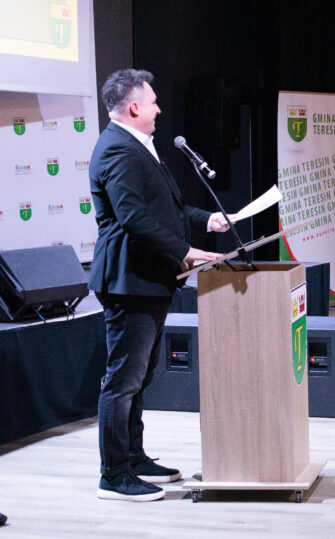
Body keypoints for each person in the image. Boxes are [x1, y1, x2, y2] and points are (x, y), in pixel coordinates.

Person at [89, 69, 227, 501]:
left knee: (140, 376)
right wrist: (187, 252)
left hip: (148, 278)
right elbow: (133, 218)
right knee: (123, 380)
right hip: (129, 280)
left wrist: (207, 221)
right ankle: (114, 474)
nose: (159, 109)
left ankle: (134, 456)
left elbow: (169, 209)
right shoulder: (118, 148)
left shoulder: (137, 145)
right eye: (152, 101)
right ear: (134, 107)